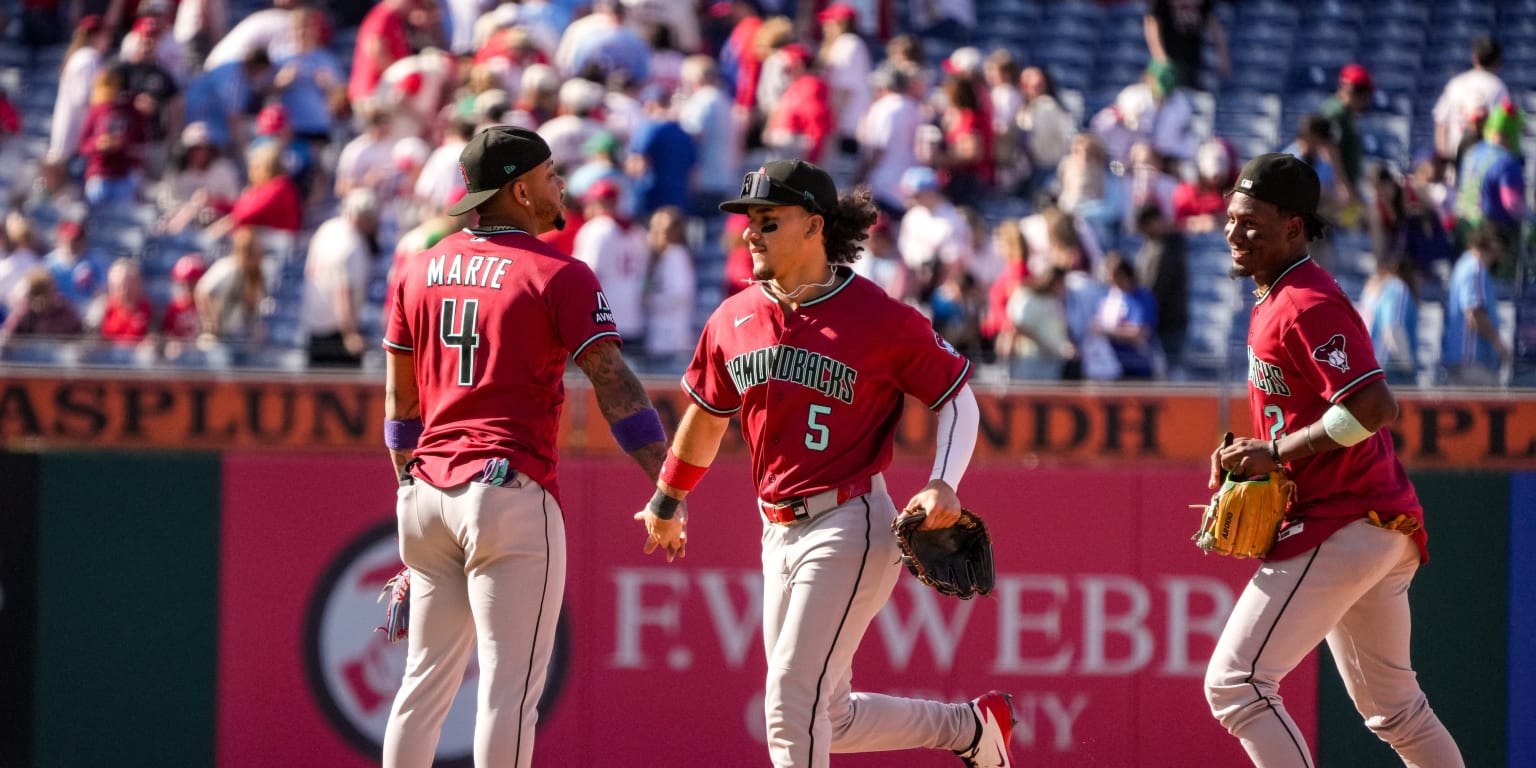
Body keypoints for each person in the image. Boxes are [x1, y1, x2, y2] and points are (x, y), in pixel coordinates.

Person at [632, 159, 1014, 768]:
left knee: (788, 702)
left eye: (768, 221)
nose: (750, 233)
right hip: (775, 528)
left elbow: (957, 399)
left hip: (849, 518)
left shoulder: (878, 316)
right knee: (826, 713)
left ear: (814, 226)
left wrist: (945, 481)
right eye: (749, 222)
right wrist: (668, 498)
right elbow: (707, 417)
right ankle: (970, 729)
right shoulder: (733, 318)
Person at [381, 126, 669, 768]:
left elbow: (400, 407)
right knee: (507, 697)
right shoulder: (557, 271)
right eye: (548, 176)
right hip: (506, 491)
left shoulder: (419, 265)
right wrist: (665, 479)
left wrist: (407, 490)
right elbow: (612, 379)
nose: (558, 186)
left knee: (421, 688)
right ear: (519, 189)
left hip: (427, 494)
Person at [1206, 152, 1464, 766]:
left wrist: (1275, 451)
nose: (1234, 232)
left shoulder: (1305, 301)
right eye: (1231, 218)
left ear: (1294, 225)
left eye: (1251, 221)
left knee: (1237, 684)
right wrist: (1256, 453)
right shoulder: (1278, 295)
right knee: (1397, 711)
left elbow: (1373, 408)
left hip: (1344, 518)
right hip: (1373, 522)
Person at [301, 187, 378, 368]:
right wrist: (350, 335)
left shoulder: (327, 229)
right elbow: (343, 293)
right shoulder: (351, 244)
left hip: (314, 329)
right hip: (337, 336)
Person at [1441, 223, 1509, 387]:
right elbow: (1474, 313)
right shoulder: (1475, 268)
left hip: (1460, 363)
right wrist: (1499, 344)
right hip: (1471, 362)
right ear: (1494, 244)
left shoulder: (1464, 264)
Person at [1433, 35, 1508, 166]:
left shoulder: (1455, 84)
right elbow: (1502, 129)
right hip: (1484, 165)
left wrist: (1444, 159)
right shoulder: (1498, 87)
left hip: (1455, 162)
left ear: (1475, 58)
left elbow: (1441, 124)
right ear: (1498, 62)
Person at [1144, 0, 1227, 91]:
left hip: (1192, 58)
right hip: (1169, 57)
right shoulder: (1161, 4)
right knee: (1164, 93)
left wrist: (1222, 54)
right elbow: (1151, 21)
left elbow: (1212, 21)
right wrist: (1159, 55)